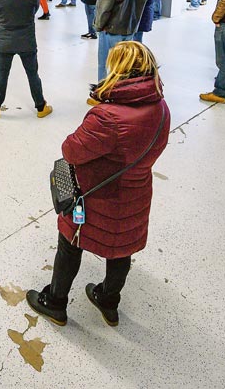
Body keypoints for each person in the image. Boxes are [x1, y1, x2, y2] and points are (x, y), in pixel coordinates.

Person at [26, 41, 170, 328]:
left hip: (95, 195)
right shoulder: (161, 107)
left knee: (70, 244)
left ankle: (55, 302)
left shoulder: (107, 116)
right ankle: (108, 299)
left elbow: (71, 151)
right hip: (136, 192)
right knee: (122, 249)